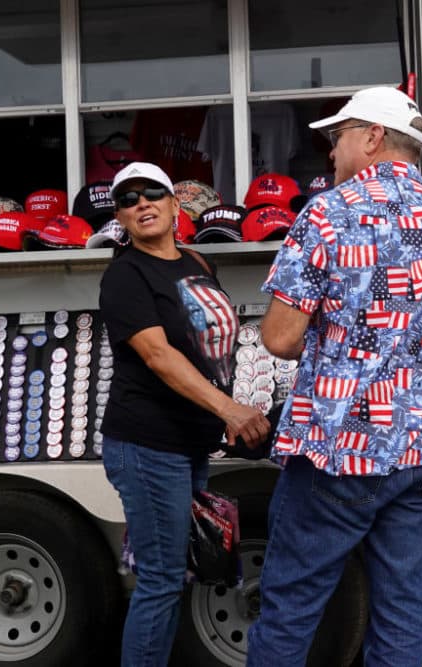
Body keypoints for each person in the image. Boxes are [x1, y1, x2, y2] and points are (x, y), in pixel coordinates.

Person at [246, 87, 422, 667]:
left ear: (373, 138)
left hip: (342, 446)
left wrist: (349, 338)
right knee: (403, 606)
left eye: (338, 137)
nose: (331, 152)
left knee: (292, 602)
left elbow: (279, 338)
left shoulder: (329, 213)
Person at [98, 161, 270, 665]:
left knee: (178, 574)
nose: (142, 204)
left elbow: (208, 347)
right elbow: (158, 355)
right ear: (121, 218)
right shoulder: (125, 275)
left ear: (176, 205)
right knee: (160, 579)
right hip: (147, 444)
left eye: (153, 193)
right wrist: (230, 410)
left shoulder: (196, 262)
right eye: (128, 200)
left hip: (189, 443)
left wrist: (227, 413)